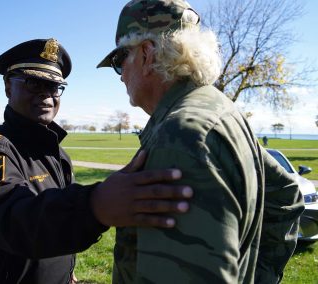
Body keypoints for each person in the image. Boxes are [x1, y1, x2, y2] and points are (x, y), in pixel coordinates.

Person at [0, 37, 195, 284]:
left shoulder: (59, 155)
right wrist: (95, 205)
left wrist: (67, 272)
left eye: (54, 86)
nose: (46, 95)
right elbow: (12, 222)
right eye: (33, 83)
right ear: (8, 87)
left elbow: (56, 223)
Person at [97, 0, 304, 283]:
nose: (120, 76)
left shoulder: (181, 137)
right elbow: (286, 194)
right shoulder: (219, 108)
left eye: (121, 60)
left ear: (146, 54)